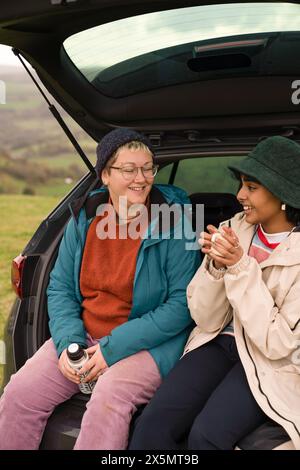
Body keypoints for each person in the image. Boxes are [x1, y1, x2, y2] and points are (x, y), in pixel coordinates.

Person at [0, 128, 199, 450]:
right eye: (128, 169)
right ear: (105, 175)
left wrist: (111, 349)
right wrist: (69, 343)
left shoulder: (176, 221)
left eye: (148, 168)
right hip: (84, 335)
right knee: (20, 393)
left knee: (110, 396)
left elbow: (181, 304)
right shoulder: (84, 216)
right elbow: (60, 288)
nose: (141, 178)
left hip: (150, 344)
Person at [129, 135, 300, 450]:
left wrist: (238, 267)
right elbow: (206, 319)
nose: (239, 195)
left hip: (270, 362)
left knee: (206, 435)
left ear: (282, 193)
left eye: (251, 187)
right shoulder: (234, 228)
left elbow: (278, 344)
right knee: (152, 425)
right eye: (242, 185)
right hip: (219, 342)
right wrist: (216, 269)